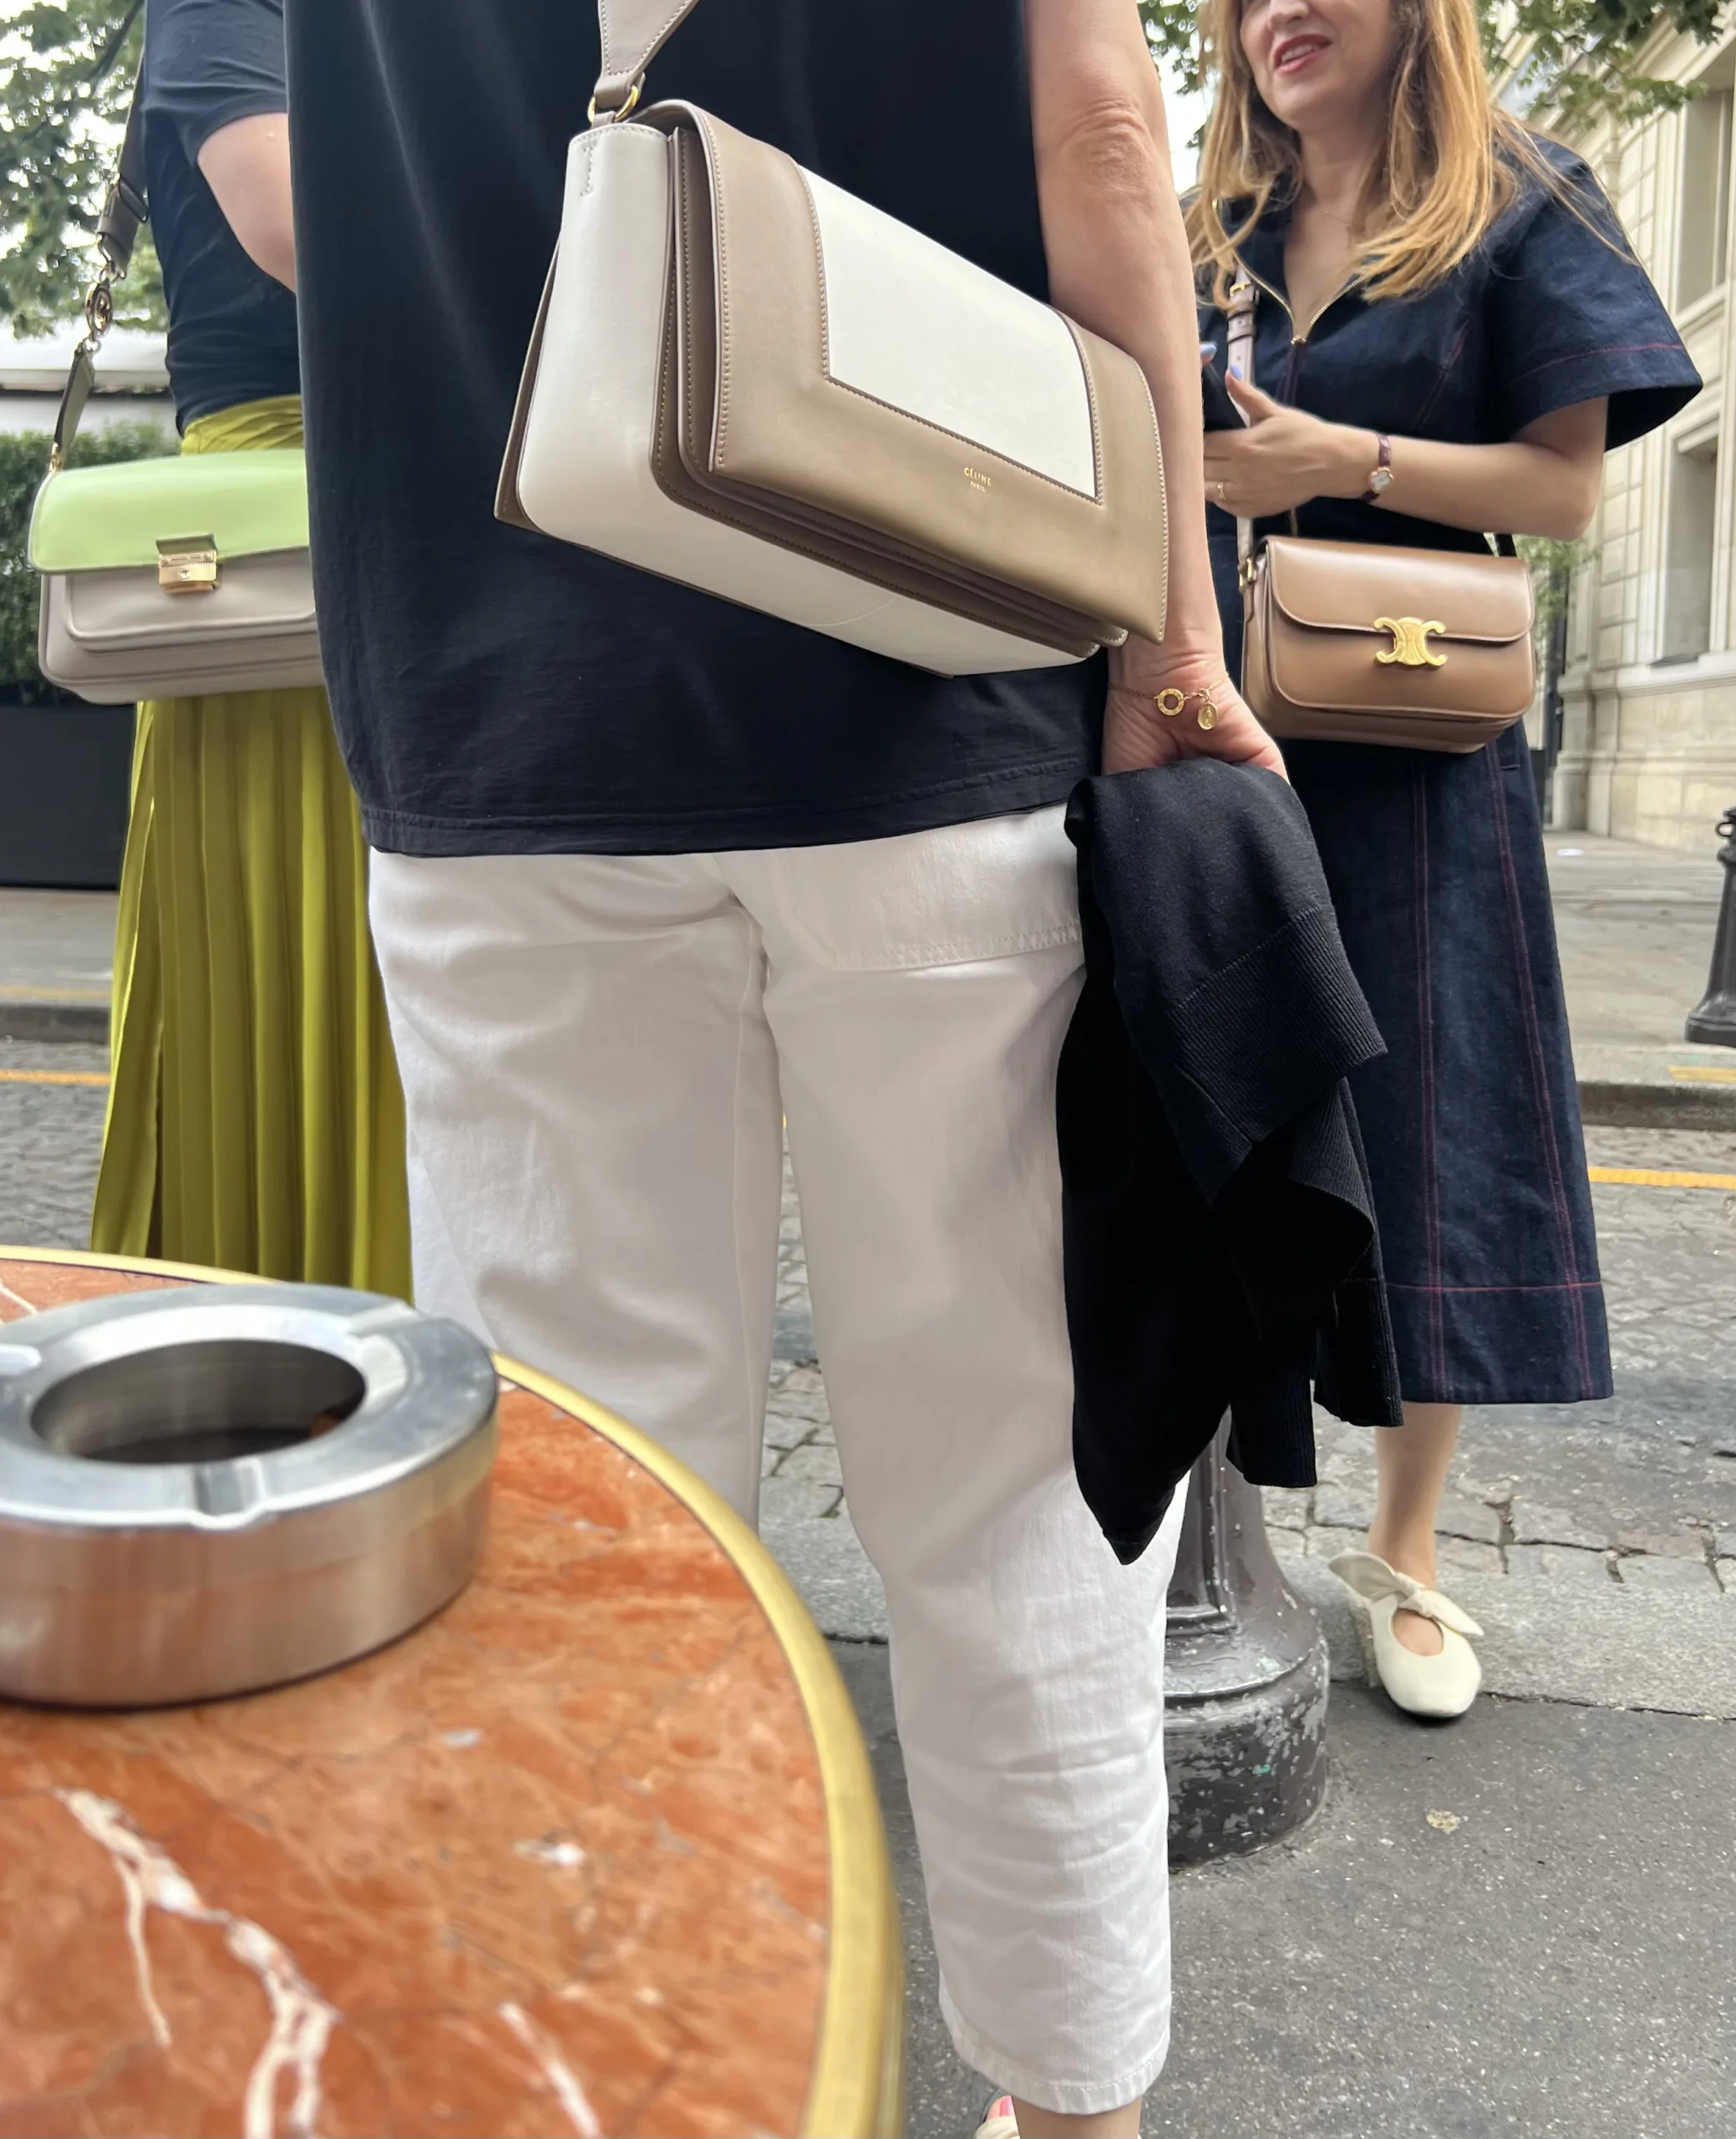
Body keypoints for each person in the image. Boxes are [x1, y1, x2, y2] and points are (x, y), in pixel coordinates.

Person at [282, 0, 1281, 2129]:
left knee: (590, 1511)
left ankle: (636, 2072)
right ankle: (1071, 2096)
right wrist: (1169, 643)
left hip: (496, 714)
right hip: (926, 668)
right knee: (1011, 1461)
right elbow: (1098, 124)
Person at [1193, 0, 1700, 1718]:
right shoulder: (1206, 229)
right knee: (1215, 1118)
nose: (1279, 14)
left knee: (1431, 1123)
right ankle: (1206, 1535)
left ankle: (1407, 1557)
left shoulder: (1514, 198)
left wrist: (1353, 459)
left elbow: (1561, 494)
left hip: (1412, 741)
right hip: (1213, 732)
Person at [90, 0, 410, 1295]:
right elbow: (290, 226)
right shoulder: (225, 7)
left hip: (375, 485)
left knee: (380, 957)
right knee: (288, 958)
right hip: (275, 512)